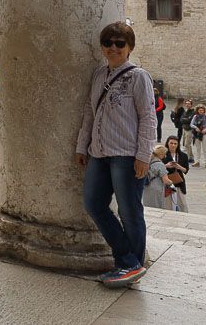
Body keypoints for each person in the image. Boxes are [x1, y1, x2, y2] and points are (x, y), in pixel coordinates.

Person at [75, 22, 156, 288]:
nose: (113, 48)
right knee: (93, 203)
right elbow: (90, 111)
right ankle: (129, 260)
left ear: (130, 48)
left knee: (129, 210)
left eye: (120, 43)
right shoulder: (99, 74)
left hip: (126, 154)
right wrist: (81, 145)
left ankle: (131, 265)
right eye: (108, 43)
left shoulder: (138, 77)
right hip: (99, 153)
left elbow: (148, 117)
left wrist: (144, 155)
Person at [142, 144, 176, 211]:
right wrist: (172, 183)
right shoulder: (160, 164)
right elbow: (166, 180)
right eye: (164, 154)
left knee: (148, 208)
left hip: (146, 188)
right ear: (161, 154)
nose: (164, 156)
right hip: (156, 190)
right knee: (157, 209)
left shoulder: (149, 162)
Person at [163, 134, 189, 212]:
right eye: (171, 143)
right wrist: (166, 165)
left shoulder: (183, 155)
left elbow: (186, 170)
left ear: (178, 145)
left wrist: (179, 167)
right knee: (168, 205)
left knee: (183, 205)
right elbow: (157, 167)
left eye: (175, 144)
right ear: (167, 143)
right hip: (167, 181)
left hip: (179, 181)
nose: (173, 145)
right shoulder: (163, 155)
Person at [178, 99, 196, 164]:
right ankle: (190, 157)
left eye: (189, 104)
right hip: (184, 129)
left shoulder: (193, 112)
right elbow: (181, 119)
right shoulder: (185, 111)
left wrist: (185, 119)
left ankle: (190, 158)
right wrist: (185, 119)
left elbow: (190, 120)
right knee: (185, 144)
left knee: (187, 144)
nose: (187, 105)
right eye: (186, 103)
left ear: (191, 105)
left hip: (189, 129)